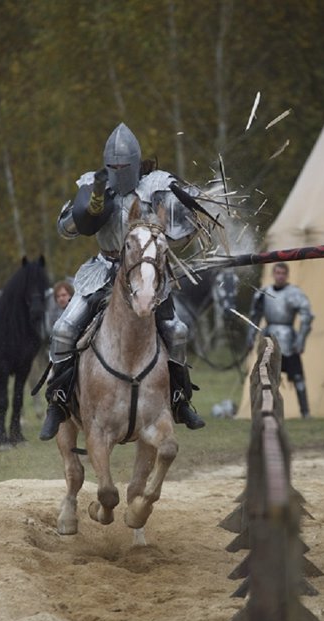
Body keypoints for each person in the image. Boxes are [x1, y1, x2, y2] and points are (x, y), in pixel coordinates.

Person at [40, 122, 209, 441]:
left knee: (176, 331)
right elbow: (65, 226)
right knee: (63, 330)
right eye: (113, 166)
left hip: (145, 272)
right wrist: (89, 210)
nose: (118, 170)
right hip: (103, 270)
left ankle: (178, 400)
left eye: (123, 165)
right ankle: (59, 401)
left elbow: (183, 231)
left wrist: (188, 220)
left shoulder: (158, 186)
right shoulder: (93, 182)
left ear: (134, 162)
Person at [246, 262, 314, 417]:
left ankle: (305, 412)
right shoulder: (264, 293)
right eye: (277, 273)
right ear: (273, 274)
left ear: (287, 275)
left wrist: (301, 340)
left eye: (283, 273)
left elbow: (307, 316)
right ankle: (268, 410)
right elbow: (254, 317)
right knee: (266, 377)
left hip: (289, 339)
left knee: (297, 377)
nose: (280, 276)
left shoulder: (294, 293)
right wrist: (250, 337)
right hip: (269, 339)